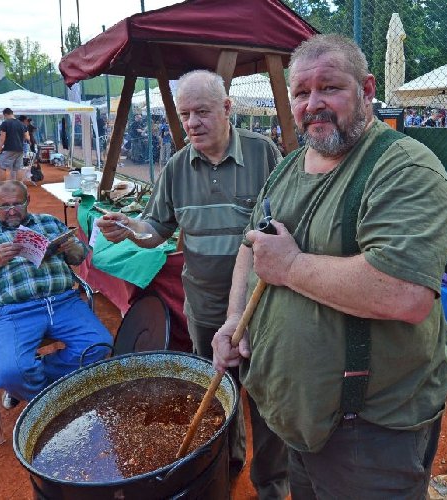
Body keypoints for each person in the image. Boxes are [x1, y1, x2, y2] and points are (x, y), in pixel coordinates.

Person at [212, 34, 447, 497]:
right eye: (302, 93)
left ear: (367, 90)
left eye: (330, 88)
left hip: (367, 436)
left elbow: (403, 293)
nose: (314, 104)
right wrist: (233, 321)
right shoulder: (288, 167)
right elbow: (252, 247)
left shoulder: (405, 169)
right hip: (299, 420)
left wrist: (291, 267)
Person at [96, 70, 288, 498]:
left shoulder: (264, 153)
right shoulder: (177, 166)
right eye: (185, 115)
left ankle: (272, 483)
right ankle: (231, 461)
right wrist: (131, 230)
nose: (193, 123)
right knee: (221, 392)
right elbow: (156, 230)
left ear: (227, 109)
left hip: (262, 306)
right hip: (202, 305)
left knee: (268, 397)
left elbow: (280, 226)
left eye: (202, 111)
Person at [0, 181, 112, 409]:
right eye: (4, 206)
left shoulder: (49, 223)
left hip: (64, 302)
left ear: (27, 201)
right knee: (11, 373)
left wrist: (71, 248)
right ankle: (47, 396)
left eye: (17, 204)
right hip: (12, 312)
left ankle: (34, 380)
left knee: (100, 345)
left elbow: (79, 256)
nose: (12, 211)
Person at [0, 108, 30, 181]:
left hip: (8, 148)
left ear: (5, 114)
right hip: (20, 149)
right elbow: (27, 137)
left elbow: (2, 138)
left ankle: (2, 186)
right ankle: (19, 185)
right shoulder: (22, 124)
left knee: (2, 166)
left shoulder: (5, 123)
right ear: (12, 113)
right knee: (18, 168)